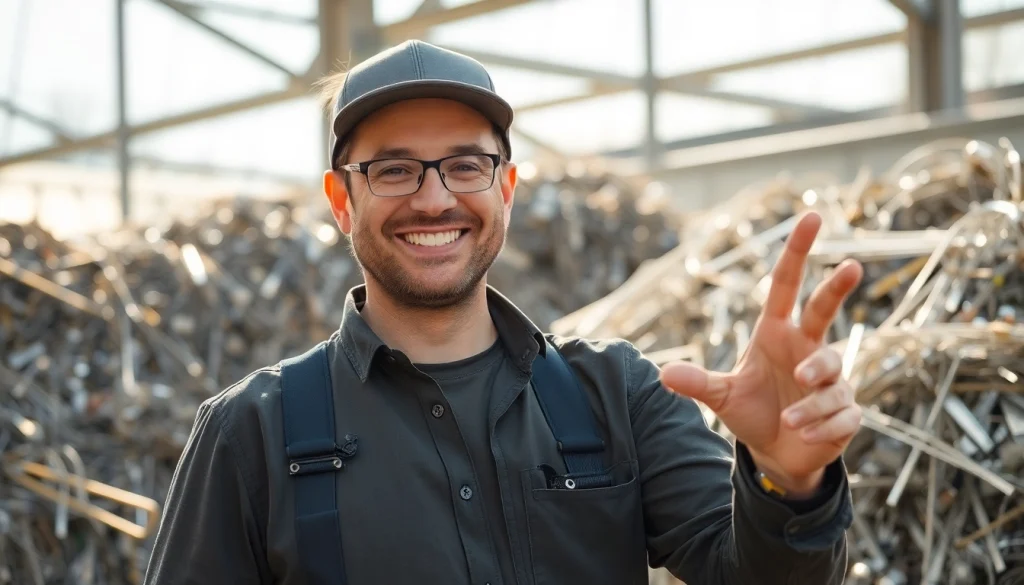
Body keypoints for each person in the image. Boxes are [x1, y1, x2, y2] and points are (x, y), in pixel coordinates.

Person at [142, 40, 864, 585]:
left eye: (465, 165)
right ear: (341, 200)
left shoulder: (617, 394)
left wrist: (784, 482)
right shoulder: (251, 433)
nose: (433, 199)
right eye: (394, 169)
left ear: (507, 187)